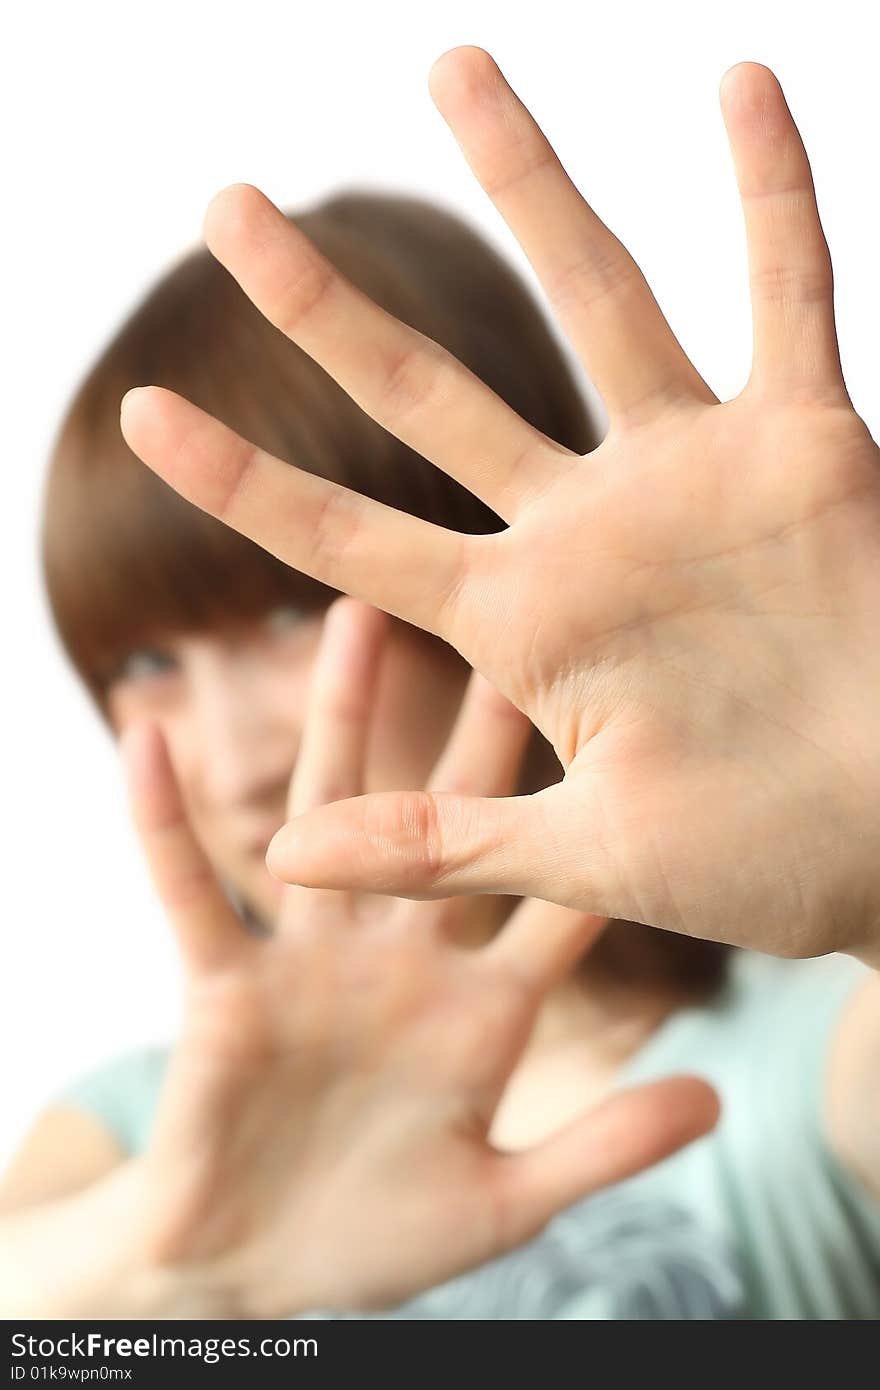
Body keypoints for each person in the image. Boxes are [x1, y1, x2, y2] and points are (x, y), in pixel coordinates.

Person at [2, 60, 879, 1317]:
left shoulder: (811, 1047)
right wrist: (164, 1256)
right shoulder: (134, 1137)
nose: (232, 757)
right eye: (143, 663)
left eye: (289, 612)